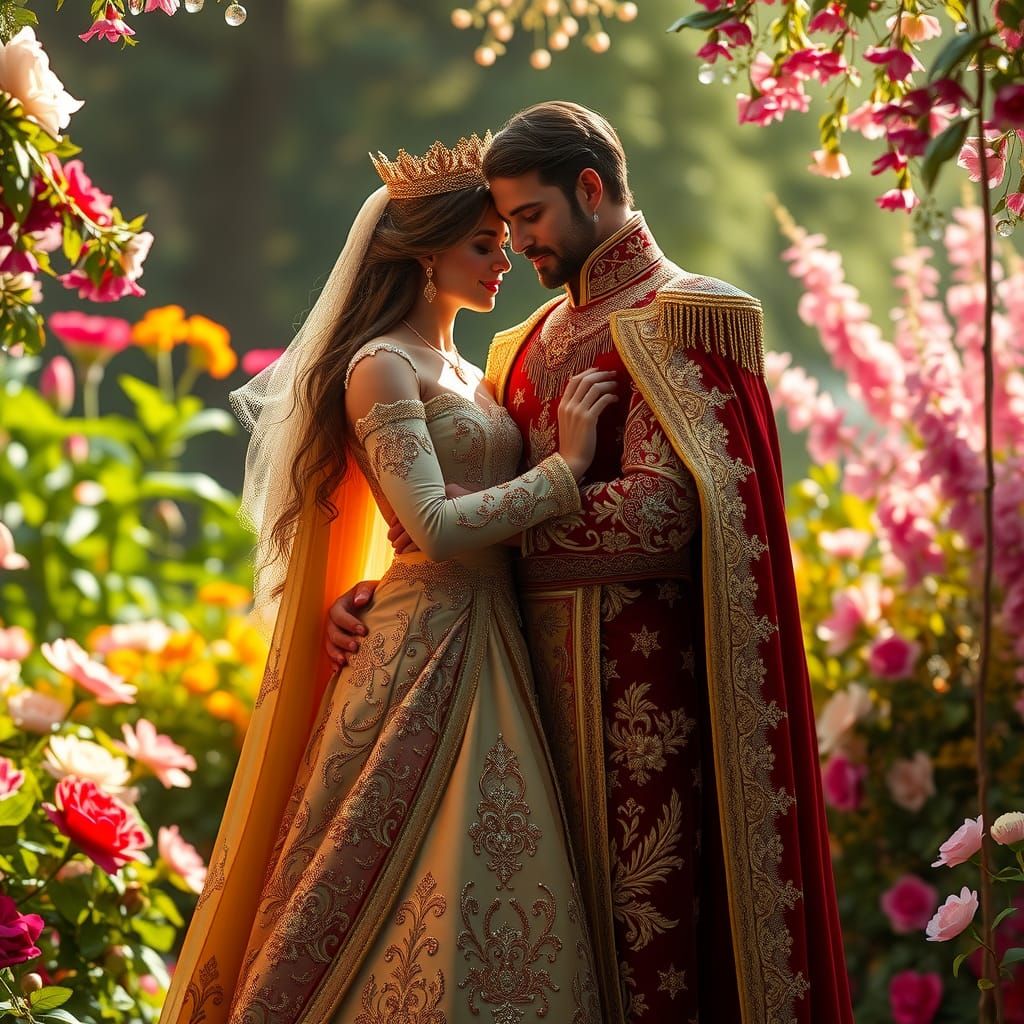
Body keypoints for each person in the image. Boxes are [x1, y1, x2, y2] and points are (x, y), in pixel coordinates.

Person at [327, 102, 855, 1024]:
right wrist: (413, 574)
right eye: (501, 228)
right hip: (513, 700)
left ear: (590, 189)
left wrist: (466, 538)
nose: (517, 244)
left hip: (645, 705)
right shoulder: (518, 346)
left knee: (648, 954)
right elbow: (451, 507)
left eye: (527, 219)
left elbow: (664, 515)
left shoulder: (684, 317)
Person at [158, 134, 610, 1024]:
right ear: (422, 251)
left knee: (494, 879)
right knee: (383, 886)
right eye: (483, 244)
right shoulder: (381, 365)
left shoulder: (475, 374)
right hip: (420, 652)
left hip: (492, 638)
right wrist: (567, 471)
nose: (504, 262)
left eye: (505, 242)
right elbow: (434, 529)